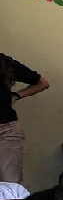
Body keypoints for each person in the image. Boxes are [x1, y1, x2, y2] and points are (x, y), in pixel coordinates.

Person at [0, 53, 50, 184]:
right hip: (7, 130)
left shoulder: (4, 62)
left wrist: (16, 95)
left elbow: (42, 83)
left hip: (6, 130)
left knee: (12, 185)